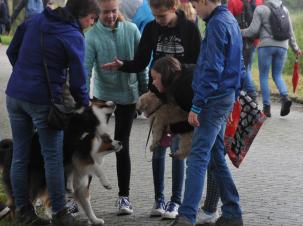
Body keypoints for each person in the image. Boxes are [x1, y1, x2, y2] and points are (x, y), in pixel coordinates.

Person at [102, 0, 201, 219]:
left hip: (182, 97)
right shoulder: (151, 28)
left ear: (173, 9)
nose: (158, 21)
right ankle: (159, 199)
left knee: (177, 148)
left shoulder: (190, 29)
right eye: (155, 16)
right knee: (157, 147)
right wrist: (123, 65)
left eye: (162, 17)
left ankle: (175, 202)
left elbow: (198, 65)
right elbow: (141, 61)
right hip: (158, 95)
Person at [5, 0, 100, 225]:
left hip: (15, 96)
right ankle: (60, 213)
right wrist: (84, 103)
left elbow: (12, 51)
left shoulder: (35, 20)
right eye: (92, 19)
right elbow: (78, 79)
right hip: (44, 103)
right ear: (83, 15)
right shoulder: (73, 35)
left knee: (20, 155)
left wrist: (25, 74)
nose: (91, 24)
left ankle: (23, 212)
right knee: (53, 159)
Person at [171, 0, 244, 226]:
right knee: (215, 157)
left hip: (213, 99)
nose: (194, 9)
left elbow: (212, 67)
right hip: (225, 95)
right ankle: (232, 212)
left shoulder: (216, 24)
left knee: (198, 156)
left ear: (204, 1)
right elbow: (240, 62)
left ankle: (187, 216)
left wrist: (197, 104)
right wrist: (239, 90)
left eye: (195, 4)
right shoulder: (229, 19)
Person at [85, 0, 148, 215]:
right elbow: (86, 69)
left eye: (113, 11)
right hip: (102, 96)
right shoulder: (92, 35)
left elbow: (142, 63)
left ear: (118, 10)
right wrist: (84, 98)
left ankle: (124, 197)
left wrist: (144, 90)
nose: (110, 16)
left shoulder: (131, 30)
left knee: (122, 145)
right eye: (105, 13)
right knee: (93, 146)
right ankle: (80, 197)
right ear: (97, 12)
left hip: (127, 96)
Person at [241, 0, 301, 117]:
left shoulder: (261, 9)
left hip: (266, 46)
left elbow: (252, 30)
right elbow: (290, 32)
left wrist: (239, 31)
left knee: (263, 75)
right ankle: (285, 97)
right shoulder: (285, 9)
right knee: (277, 75)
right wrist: (296, 48)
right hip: (283, 46)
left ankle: (267, 108)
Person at [228, 0, 263, 101]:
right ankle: (245, 100)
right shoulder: (258, 1)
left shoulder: (234, 2)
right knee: (247, 68)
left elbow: (228, 21)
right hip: (254, 40)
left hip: (240, 40)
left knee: (243, 69)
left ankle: (251, 94)